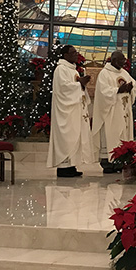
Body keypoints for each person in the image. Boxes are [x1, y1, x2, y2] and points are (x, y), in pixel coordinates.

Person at [47, 45, 92, 177]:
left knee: (74, 137)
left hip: (75, 110)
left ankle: (72, 165)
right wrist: (80, 84)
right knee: (66, 138)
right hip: (65, 112)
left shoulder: (74, 71)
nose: (76, 54)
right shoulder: (61, 69)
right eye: (73, 53)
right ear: (65, 55)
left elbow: (77, 88)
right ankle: (63, 167)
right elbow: (63, 89)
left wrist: (81, 85)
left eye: (76, 52)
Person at [92, 51, 136, 174]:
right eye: (120, 60)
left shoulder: (124, 73)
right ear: (113, 60)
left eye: (124, 60)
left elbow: (134, 84)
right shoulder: (104, 73)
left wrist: (131, 88)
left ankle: (121, 162)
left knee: (123, 134)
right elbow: (103, 92)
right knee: (110, 135)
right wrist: (118, 90)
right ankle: (107, 163)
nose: (123, 62)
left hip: (124, 110)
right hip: (111, 112)